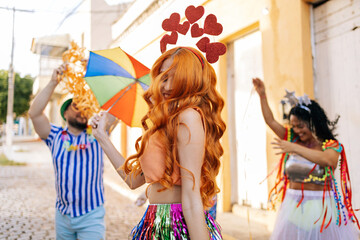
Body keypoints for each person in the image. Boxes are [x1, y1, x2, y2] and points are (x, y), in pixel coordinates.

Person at [91, 47, 225, 239]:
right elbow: (133, 181)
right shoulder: (164, 123)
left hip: (177, 224)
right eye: (163, 76)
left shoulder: (188, 117)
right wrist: (102, 137)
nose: (167, 85)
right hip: (154, 222)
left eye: (176, 77)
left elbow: (191, 196)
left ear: (193, 79)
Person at [252, 78, 360, 239]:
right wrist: (262, 96)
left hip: (323, 212)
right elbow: (270, 121)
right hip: (293, 207)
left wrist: (295, 148)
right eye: (293, 126)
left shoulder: (330, 145)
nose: (296, 130)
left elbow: (328, 161)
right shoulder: (292, 138)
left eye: (300, 126)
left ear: (313, 123)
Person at [29, 64, 112, 240]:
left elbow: (115, 108)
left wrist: (96, 71)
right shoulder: (54, 136)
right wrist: (53, 82)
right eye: (76, 105)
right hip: (63, 215)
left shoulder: (98, 132)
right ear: (65, 113)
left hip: (91, 215)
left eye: (84, 105)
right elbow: (35, 114)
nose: (82, 109)